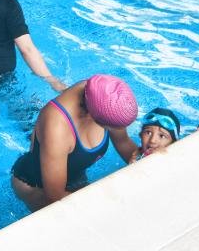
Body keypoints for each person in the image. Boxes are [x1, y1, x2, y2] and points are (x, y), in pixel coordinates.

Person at [10, 74, 139, 212]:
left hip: (75, 176)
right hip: (36, 187)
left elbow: (123, 142)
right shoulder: (57, 127)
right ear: (93, 116)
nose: (116, 131)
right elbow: (55, 197)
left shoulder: (108, 95)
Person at [132, 107, 199, 162]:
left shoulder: (179, 155)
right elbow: (122, 141)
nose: (153, 140)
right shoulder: (136, 156)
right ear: (140, 135)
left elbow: (194, 143)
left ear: (174, 142)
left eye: (162, 136)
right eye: (148, 132)